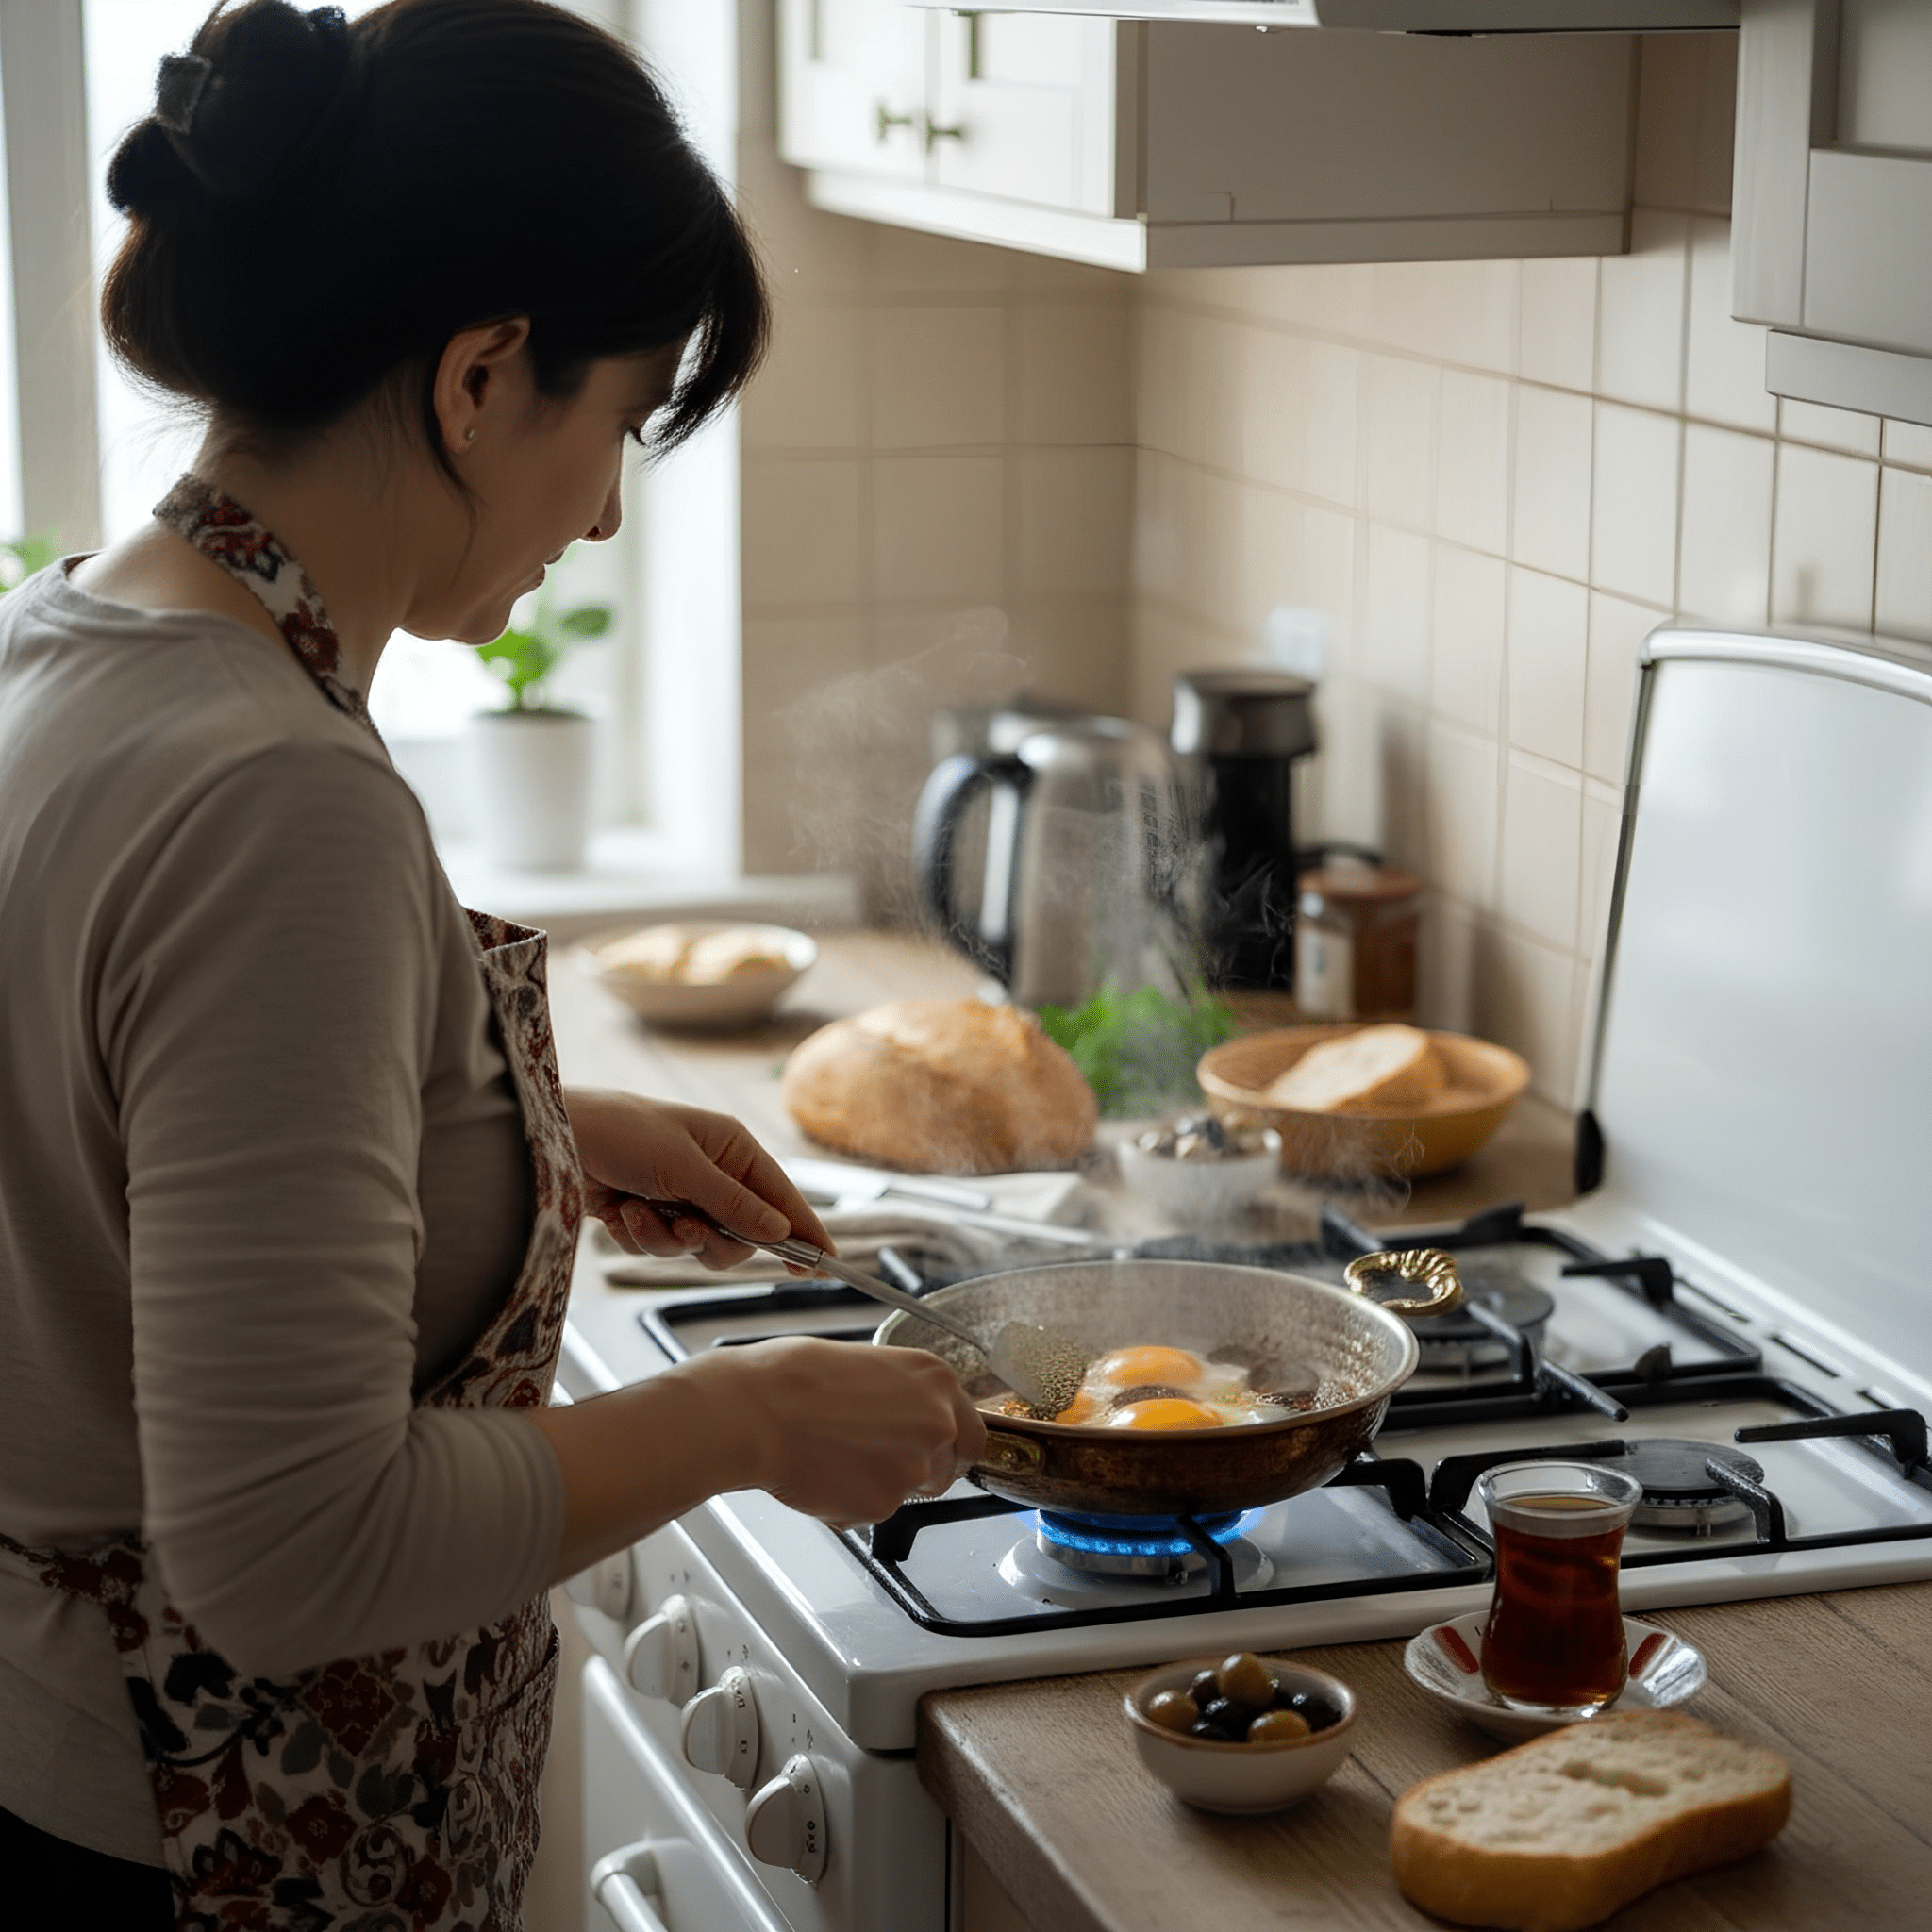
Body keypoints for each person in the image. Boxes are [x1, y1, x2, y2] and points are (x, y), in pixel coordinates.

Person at [0, 3, 984, 1924]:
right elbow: (286, 1544)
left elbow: (113, 1112)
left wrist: (509, 1122)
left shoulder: (74, 645)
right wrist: (752, 1417)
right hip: (187, 1844)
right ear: (479, 375)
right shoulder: (276, 796)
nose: (605, 509)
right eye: (612, 424)